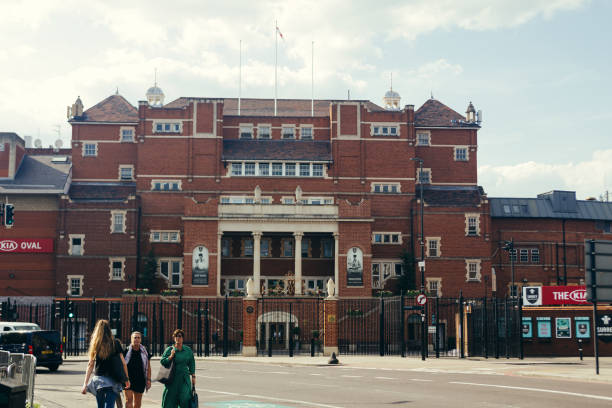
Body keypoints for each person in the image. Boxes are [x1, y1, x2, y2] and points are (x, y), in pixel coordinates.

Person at [82, 320, 130, 408]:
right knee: (110, 406)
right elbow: (123, 363)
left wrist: (85, 384)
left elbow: (90, 364)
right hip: (113, 380)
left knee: (100, 406)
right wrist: (126, 379)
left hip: (99, 381)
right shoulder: (115, 343)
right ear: (109, 330)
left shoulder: (96, 344)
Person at [160, 329, 195, 408]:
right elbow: (162, 361)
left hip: (184, 378)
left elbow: (192, 363)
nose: (177, 338)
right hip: (172, 378)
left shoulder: (187, 350)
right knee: (170, 400)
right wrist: (170, 356)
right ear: (174, 338)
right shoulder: (170, 349)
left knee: (185, 398)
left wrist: (193, 376)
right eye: (176, 336)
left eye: (179, 336)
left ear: (183, 338)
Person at [123, 331, 151, 408]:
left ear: (141, 340)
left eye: (138, 338)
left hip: (140, 379)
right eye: (135, 337)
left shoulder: (144, 351)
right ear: (131, 339)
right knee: (128, 401)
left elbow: (148, 366)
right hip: (128, 379)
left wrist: (148, 379)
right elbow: (122, 365)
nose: (137, 339)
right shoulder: (126, 351)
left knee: (137, 403)